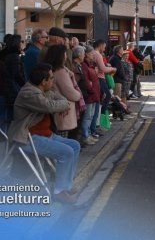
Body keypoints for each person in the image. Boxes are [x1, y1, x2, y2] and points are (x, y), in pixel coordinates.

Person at [7, 63, 81, 204]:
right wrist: (64, 105)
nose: (53, 81)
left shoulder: (44, 90)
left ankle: (66, 185)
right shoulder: (29, 93)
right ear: (43, 81)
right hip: (28, 138)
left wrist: (62, 104)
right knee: (66, 152)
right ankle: (59, 191)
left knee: (75, 145)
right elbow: (50, 106)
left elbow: (59, 98)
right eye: (51, 78)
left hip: (45, 135)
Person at [43, 44, 81, 138]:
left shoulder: (52, 69)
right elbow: (70, 92)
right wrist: (78, 94)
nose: (66, 56)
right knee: (63, 138)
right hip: (63, 111)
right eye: (64, 53)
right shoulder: (61, 72)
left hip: (57, 108)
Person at [73, 46, 99, 146]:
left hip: (91, 94)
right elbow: (86, 82)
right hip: (87, 95)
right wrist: (91, 90)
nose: (93, 55)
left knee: (90, 116)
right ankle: (85, 136)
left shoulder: (87, 65)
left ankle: (87, 135)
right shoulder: (82, 66)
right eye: (91, 53)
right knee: (87, 117)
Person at [0, 34, 25, 129]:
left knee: (9, 115)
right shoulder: (14, 57)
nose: (23, 44)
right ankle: (11, 139)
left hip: (8, 88)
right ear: (17, 43)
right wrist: (25, 85)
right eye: (21, 41)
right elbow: (16, 75)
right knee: (13, 116)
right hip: (13, 89)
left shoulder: (7, 55)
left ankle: (5, 136)